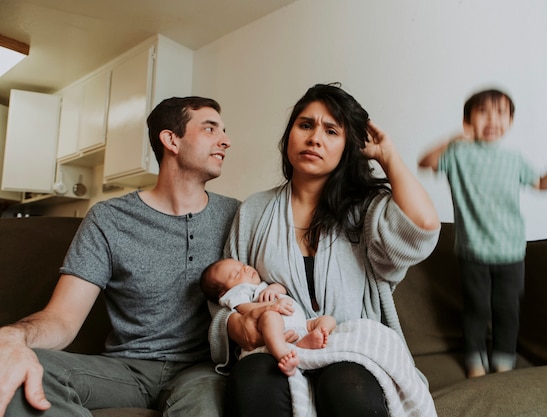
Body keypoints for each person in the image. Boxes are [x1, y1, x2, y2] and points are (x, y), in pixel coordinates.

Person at [208, 83, 441, 417]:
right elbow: (224, 297)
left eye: (331, 131)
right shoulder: (254, 211)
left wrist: (389, 156)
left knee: (346, 382)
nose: (314, 138)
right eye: (305, 125)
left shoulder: (365, 210)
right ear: (289, 136)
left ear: (347, 146)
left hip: (348, 349)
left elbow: (422, 228)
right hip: (279, 349)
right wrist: (235, 325)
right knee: (252, 379)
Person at [0, 96, 241, 417]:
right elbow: (63, 318)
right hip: (125, 370)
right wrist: (14, 336)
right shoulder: (109, 217)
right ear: (171, 139)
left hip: (202, 371)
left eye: (223, 131)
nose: (225, 140)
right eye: (210, 129)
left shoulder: (237, 215)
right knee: (20, 371)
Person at [418, 88, 547, 378]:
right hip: (473, 250)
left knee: (507, 310)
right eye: (483, 112)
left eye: (501, 113)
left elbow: (542, 184)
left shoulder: (514, 159)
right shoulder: (458, 154)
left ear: (510, 122)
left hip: (511, 250)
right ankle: (475, 363)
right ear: (468, 120)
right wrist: (454, 137)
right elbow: (425, 162)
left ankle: (504, 362)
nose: (492, 119)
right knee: (476, 309)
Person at [201, 258, 336, 376]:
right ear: (223, 293)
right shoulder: (236, 293)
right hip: (275, 326)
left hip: (301, 324)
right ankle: (284, 354)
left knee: (327, 320)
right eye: (237, 273)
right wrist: (271, 306)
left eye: (243, 265)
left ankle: (306, 341)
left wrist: (274, 289)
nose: (246, 269)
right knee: (270, 317)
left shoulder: (261, 285)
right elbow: (244, 308)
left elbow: (282, 288)